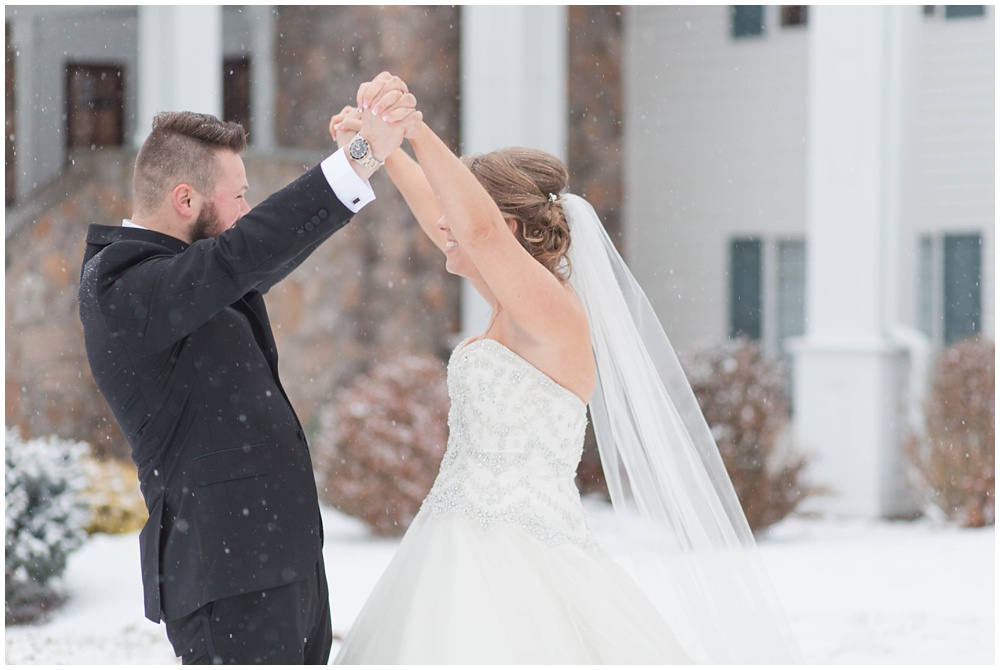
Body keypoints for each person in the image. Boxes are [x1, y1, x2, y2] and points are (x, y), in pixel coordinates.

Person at [327, 104, 800, 663]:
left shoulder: (551, 309)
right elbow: (448, 221)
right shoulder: (512, 301)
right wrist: (381, 152)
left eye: (467, 213)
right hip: (456, 539)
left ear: (510, 230)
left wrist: (416, 127)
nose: (448, 226)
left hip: (520, 555)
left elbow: (470, 226)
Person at [78, 73, 420, 664]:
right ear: (185, 200)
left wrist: (356, 159)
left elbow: (252, 258)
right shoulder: (122, 285)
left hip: (279, 567)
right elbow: (242, 254)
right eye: (237, 195)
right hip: (227, 583)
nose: (246, 209)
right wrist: (362, 156)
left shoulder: (188, 277)